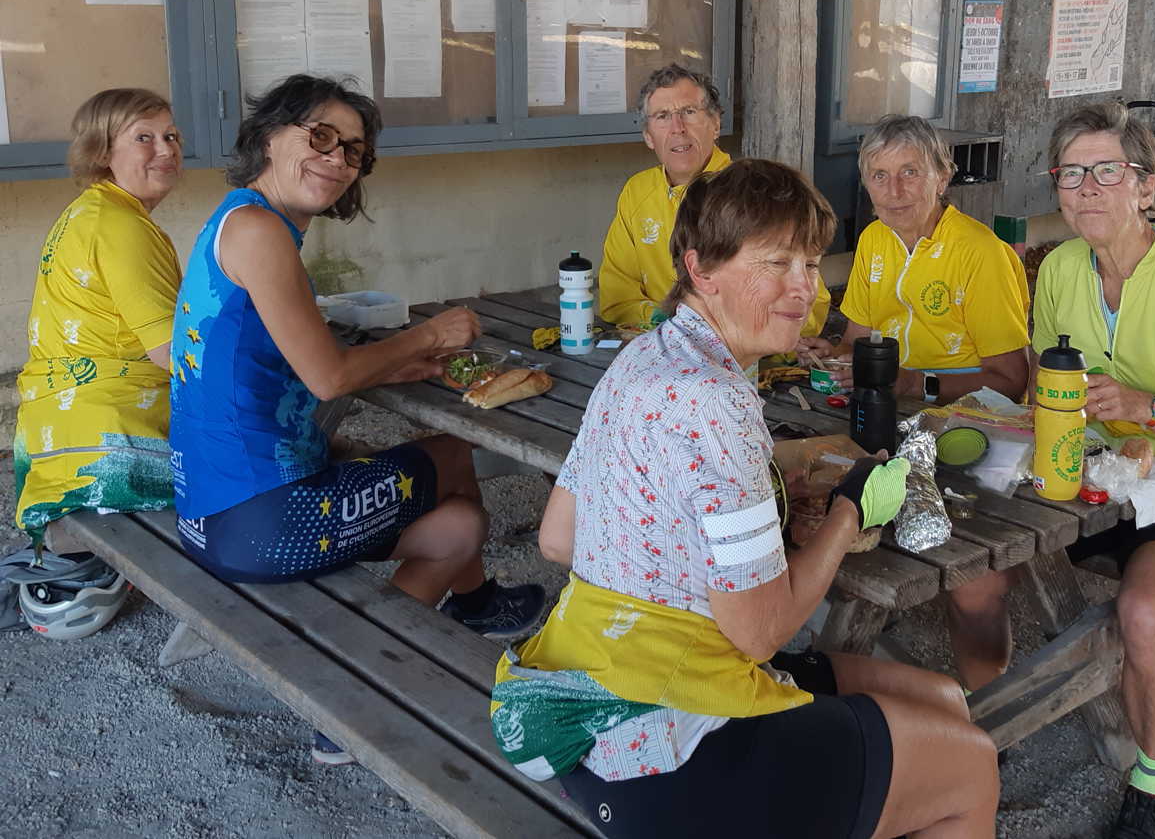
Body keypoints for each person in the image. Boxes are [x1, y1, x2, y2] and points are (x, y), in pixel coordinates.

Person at [494, 159, 999, 839]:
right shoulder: (718, 400)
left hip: (589, 709)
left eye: (812, 262)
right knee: (972, 768)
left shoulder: (642, 356)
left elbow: (559, 537)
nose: (805, 288)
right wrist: (849, 510)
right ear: (702, 271)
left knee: (942, 697)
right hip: (672, 751)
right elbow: (763, 632)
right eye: (777, 263)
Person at [167, 75, 544, 761]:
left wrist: (390, 365)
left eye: (354, 151)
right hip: (262, 521)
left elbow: (284, 366)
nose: (337, 159)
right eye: (320, 137)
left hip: (210, 510)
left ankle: (463, 608)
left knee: (460, 522)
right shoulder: (259, 233)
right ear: (270, 137)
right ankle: (358, 690)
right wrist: (428, 338)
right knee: (455, 461)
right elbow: (328, 376)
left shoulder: (234, 219)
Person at [948, 102, 1155, 839]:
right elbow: (1037, 394)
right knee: (970, 574)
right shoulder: (1056, 268)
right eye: (1071, 173)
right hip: (1077, 479)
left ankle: (1152, 779)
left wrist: (1148, 409)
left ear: (1145, 186)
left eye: (1106, 171)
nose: (1086, 188)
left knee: (1145, 613)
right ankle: (982, 734)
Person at [13, 89, 184, 553]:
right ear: (103, 151)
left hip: (59, 431)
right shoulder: (122, 227)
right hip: (113, 440)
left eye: (171, 135)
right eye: (143, 138)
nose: (166, 149)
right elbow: (174, 355)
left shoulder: (91, 211)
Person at [800, 114, 1029, 406]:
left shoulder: (980, 252)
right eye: (879, 176)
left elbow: (1010, 381)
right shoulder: (874, 239)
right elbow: (857, 342)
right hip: (892, 402)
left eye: (910, 173)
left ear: (942, 179)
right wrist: (833, 355)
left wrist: (915, 384)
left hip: (966, 416)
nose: (894, 192)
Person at [598, 64, 830, 337]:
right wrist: (666, 317)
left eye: (689, 112)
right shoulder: (637, 191)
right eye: (662, 116)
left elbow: (810, 309)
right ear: (648, 136)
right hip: (663, 343)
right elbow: (616, 297)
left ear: (716, 124)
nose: (677, 128)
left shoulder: (754, 194)